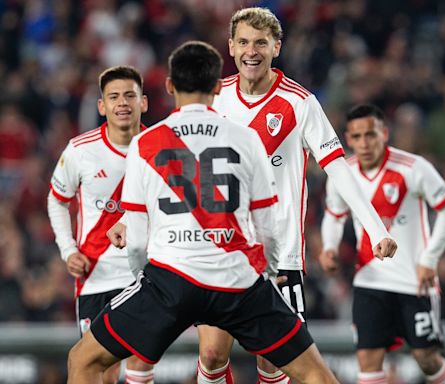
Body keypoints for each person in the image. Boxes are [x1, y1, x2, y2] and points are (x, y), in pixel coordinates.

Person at [107, 7, 396, 384]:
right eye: (243, 41)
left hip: (278, 256)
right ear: (230, 46)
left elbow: (338, 167)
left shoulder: (299, 103)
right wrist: (131, 216)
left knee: (273, 365)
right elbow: (170, 156)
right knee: (211, 355)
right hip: (219, 252)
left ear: (277, 46)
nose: (251, 50)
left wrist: (376, 229)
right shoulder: (214, 96)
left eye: (261, 42)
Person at [67, 40, 341, 384]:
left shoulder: (147, 143)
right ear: (216, 87)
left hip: (171, 279)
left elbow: (136, 239)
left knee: (83, 359)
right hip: (237, 279)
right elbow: (267, 224)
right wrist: (266, 272)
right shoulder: (245, 138)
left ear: (169, 86)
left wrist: (146, 283)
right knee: (316, 375)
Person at [319, 104, 445, 384]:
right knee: (368, 360)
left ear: (384, 134)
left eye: (370, 135)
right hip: (369, 281)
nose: (364, 143)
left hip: (414, 281)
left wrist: (429, 259)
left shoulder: (413, 168)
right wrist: (330, 247)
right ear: (348, 139)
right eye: (357, 137)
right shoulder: (342, 173)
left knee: (426, 359)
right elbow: (334, 215)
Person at [47, 65, 154, 384]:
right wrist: (68, 251)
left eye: (129, 96)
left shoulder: (159, 148)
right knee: (101, 371)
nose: (122, 103)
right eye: (114, 97)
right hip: (96, 276)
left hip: (147, 275)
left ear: (143, 102)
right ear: (101, 106)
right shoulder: (80, 151)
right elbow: (57, 200)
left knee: (140, 364)